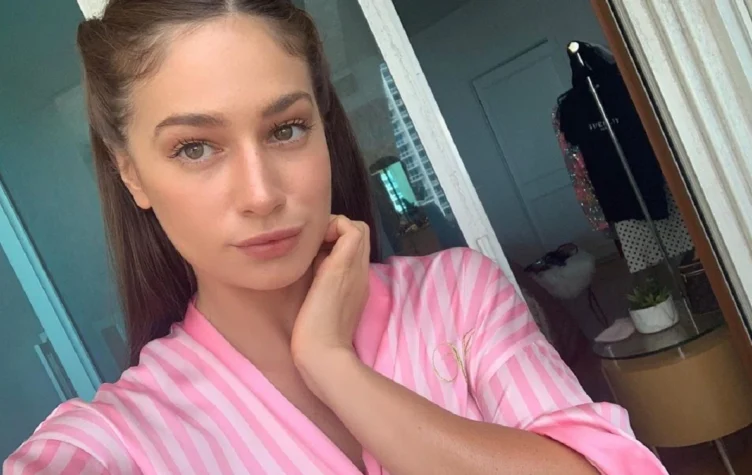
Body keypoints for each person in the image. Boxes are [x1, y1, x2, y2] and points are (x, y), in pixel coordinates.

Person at [4, 1, 667, 473]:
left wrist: (332, 365)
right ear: (132, 174)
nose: (261, 193)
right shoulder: (121, 439)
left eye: (285, 129)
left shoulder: (457, 292)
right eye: (195, 147)